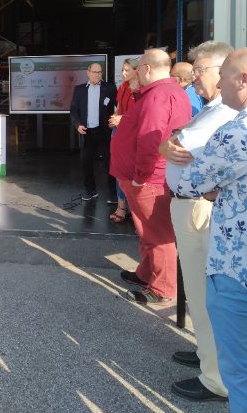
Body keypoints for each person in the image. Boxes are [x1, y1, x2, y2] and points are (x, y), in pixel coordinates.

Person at [175, 48, 247, 413]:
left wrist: (215, 188)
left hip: (236, 266)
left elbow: (191, 182)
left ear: (243, 80)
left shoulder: (234, 132)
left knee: (240, 374)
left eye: (225, 75)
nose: (219, 83)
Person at [160, 41, 234, 402]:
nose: (193, 78)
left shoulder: (225, 113)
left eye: (199, 71)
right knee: (199, 290)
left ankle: (215, 377)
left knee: (205, 293)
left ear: (223, 72)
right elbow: (172, 142)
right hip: (191, 206)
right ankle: (208, 353)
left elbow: (182, 145)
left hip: (199, 209)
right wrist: (167, 145)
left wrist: (169, 145)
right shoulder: (212, 108)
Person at [110, 48, 191, 303]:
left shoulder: (157, 96)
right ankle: (146, 273)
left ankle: (162, 288)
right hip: (152, 177)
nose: (135, 73)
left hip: (148, 180)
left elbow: (150, 141)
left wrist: (139, 178)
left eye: (137, 69)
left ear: (146, 68)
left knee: (157, 235)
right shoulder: (169, 92)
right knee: (147, 230)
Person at [70, 62, 117, 202]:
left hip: (104, 132)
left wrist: (117, 117)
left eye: (100, 72)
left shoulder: (110, 88)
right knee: (86, 162)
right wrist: (78, 124)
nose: (97, 75)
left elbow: (119, 106)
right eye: (95, 72)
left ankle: (113, 193)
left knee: (110, 162)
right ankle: (90, 190)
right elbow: (74, 111)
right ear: (88, 72)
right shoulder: (79, 90)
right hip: (87, 132)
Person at [107, 58, 139, 222]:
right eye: (122, 70)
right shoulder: (123, 86)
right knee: (118, 170)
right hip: (119, 132)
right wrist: (115, 117)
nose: (123, 73)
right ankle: (121, 206)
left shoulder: (143, 88)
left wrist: (122, 119)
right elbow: (119, 107)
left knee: (132, 172)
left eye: (127, 70)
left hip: (134, 135)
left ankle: (136, 210)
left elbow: (144, 115)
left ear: (137, 70)